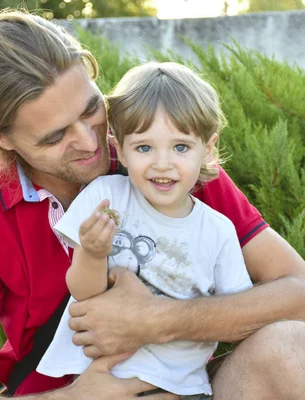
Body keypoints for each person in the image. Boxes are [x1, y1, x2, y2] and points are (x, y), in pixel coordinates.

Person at [0, 9, 305, 400]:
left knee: (299, 351)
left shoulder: (166, 164)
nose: (90, 144)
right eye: (54, 137)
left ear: (90, 73)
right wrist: (73, 397)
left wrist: (154, 321)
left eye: (92, 110)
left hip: (187, 387)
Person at [36, 62, 254, 399]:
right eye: (144, 147)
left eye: (180, 147)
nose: (162, 163)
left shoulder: (219, 231)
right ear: (119, 149)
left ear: (208, 150)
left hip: (178, 387)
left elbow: (237, 315)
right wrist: (93, 253)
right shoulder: (104, 197)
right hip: (98, 379)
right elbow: (82, 292)